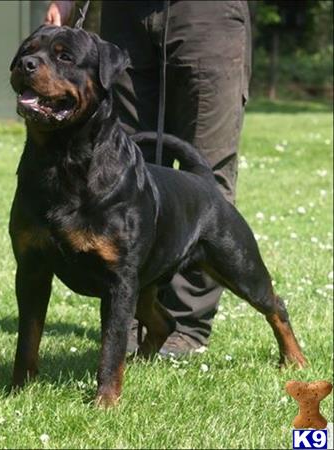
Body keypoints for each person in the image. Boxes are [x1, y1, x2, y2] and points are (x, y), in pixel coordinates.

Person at [45, 0, 252, 356]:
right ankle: (131, 320)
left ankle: (187, 327)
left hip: (203, 13)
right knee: (121, 168)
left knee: (204, 170)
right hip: (124, 13)